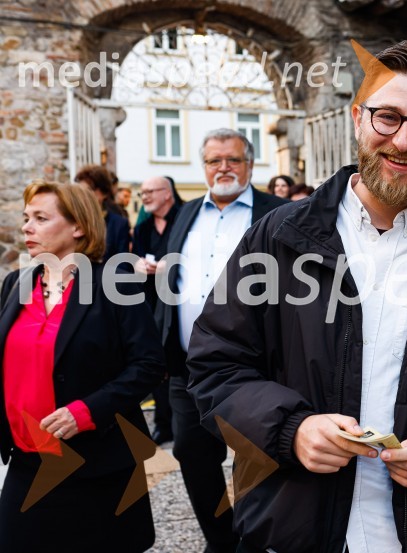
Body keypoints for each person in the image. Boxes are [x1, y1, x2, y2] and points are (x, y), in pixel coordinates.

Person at [186, 40, 407, 553]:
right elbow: (214, 366)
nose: (403, 141)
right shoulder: (277, 239)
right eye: (387, 117)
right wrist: (292, 428)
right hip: (289, 529)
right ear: (358, 118)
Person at [0, 180, 165, 552]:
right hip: (27, 462)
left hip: (95, 465)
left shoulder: (114, 282)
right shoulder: (15, 284)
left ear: (78, 227)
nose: (27, 227)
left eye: (41, 218)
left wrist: (88, 411)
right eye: (26, 218)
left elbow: (149, 365)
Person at [155, 129, 287, 553]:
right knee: (192, 456)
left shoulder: (278, 213)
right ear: (204, 167)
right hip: (188, 365)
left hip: (255, 366)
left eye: (233, 159)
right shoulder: (185, 213)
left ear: (250, 165)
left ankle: (259, 537)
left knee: (257, 455)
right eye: (214, 161)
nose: (223, 168)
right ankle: (222, 541)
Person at [133, 176, 180, 445]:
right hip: (152, 301)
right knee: (157, 361)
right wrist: (138, 266)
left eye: (150, 191)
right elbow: (136, 257)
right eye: (142, 192)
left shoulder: (186, 217)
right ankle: (164, 425)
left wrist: (169, 266)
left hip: (179, 301)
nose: (145, 197)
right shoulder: (143, 227)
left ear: (167, 193)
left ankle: (186, 422)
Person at [74, 164, 131, 260]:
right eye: (79, 191)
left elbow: (123, 265)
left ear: (104, 193)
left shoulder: (119, 224)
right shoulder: (71, 220)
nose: (83, 195)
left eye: (89, 190)